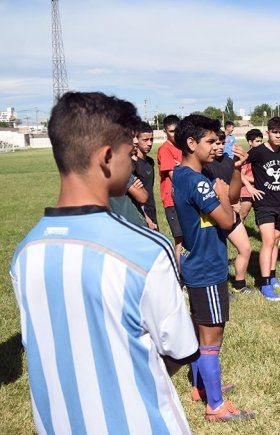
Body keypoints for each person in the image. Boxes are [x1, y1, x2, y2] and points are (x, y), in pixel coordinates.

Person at [10, 91, 199, 433]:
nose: (133, 165)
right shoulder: (147, 250)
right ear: (107, 157)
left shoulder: (25, 252)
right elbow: (179, 349)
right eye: (130, 153)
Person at [172, 114, 254, 422]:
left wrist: (234, 173)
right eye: (209, 141)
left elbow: (230, 196)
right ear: (191, 143)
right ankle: (216, 405)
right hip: (207, 267)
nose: (214, 146)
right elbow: (227, 218)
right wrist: (220, 198)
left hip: (199, 264)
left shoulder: (184, 174)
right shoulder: (195, 180)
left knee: (200, 332)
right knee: (211, 337)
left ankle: (201, 387)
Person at [202, 130, 253, 295]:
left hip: (231, 212)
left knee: (245, 248)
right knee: (216, 254)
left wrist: (235, 201)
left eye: (222, 142)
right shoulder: (204, 164)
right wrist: (229, 203)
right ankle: (215, 288)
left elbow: (233, 189)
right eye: (215, 143)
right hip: (213, 214)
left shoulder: (228, 160)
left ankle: (239, 284)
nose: (220, 146)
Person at [248, 117, 280, 301]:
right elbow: (238, 168)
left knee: (275, 239)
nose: (278, 135)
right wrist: (249, 187)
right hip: (263, 204)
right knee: (267, 241)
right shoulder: (258, 152)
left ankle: (272, 277)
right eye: (275, 132)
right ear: (268, 133)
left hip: (279, 203)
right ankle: (264, 284)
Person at [157, 115, 184, 264]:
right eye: (171, 131)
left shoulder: (183, 147)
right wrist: (181, 169)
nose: (175, 134)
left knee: (191, 239)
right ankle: (180, 278)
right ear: (165, 131)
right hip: (172, 201)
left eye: (177, 130)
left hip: (185, 199)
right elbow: (176, 178)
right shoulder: (164, 149)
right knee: (180, 240)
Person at [132, 121, 158, 229]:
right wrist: (146, 219)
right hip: (141, 217)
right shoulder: (132, 164)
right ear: (136, 140)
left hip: (152, 211)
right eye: (145, 140)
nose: (150, 143)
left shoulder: (150, 162)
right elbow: (133, 197)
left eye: (151, 139)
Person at [238, 128, 263, 221]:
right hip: (246, 191)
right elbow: (241, 175)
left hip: (259, 189)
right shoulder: (247, 157)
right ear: (250, 142)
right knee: (242, 215)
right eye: (257, 141)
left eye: (261, 141)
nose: (260, 143)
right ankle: (231, 233)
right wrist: (255, 180)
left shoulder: (261, 156)